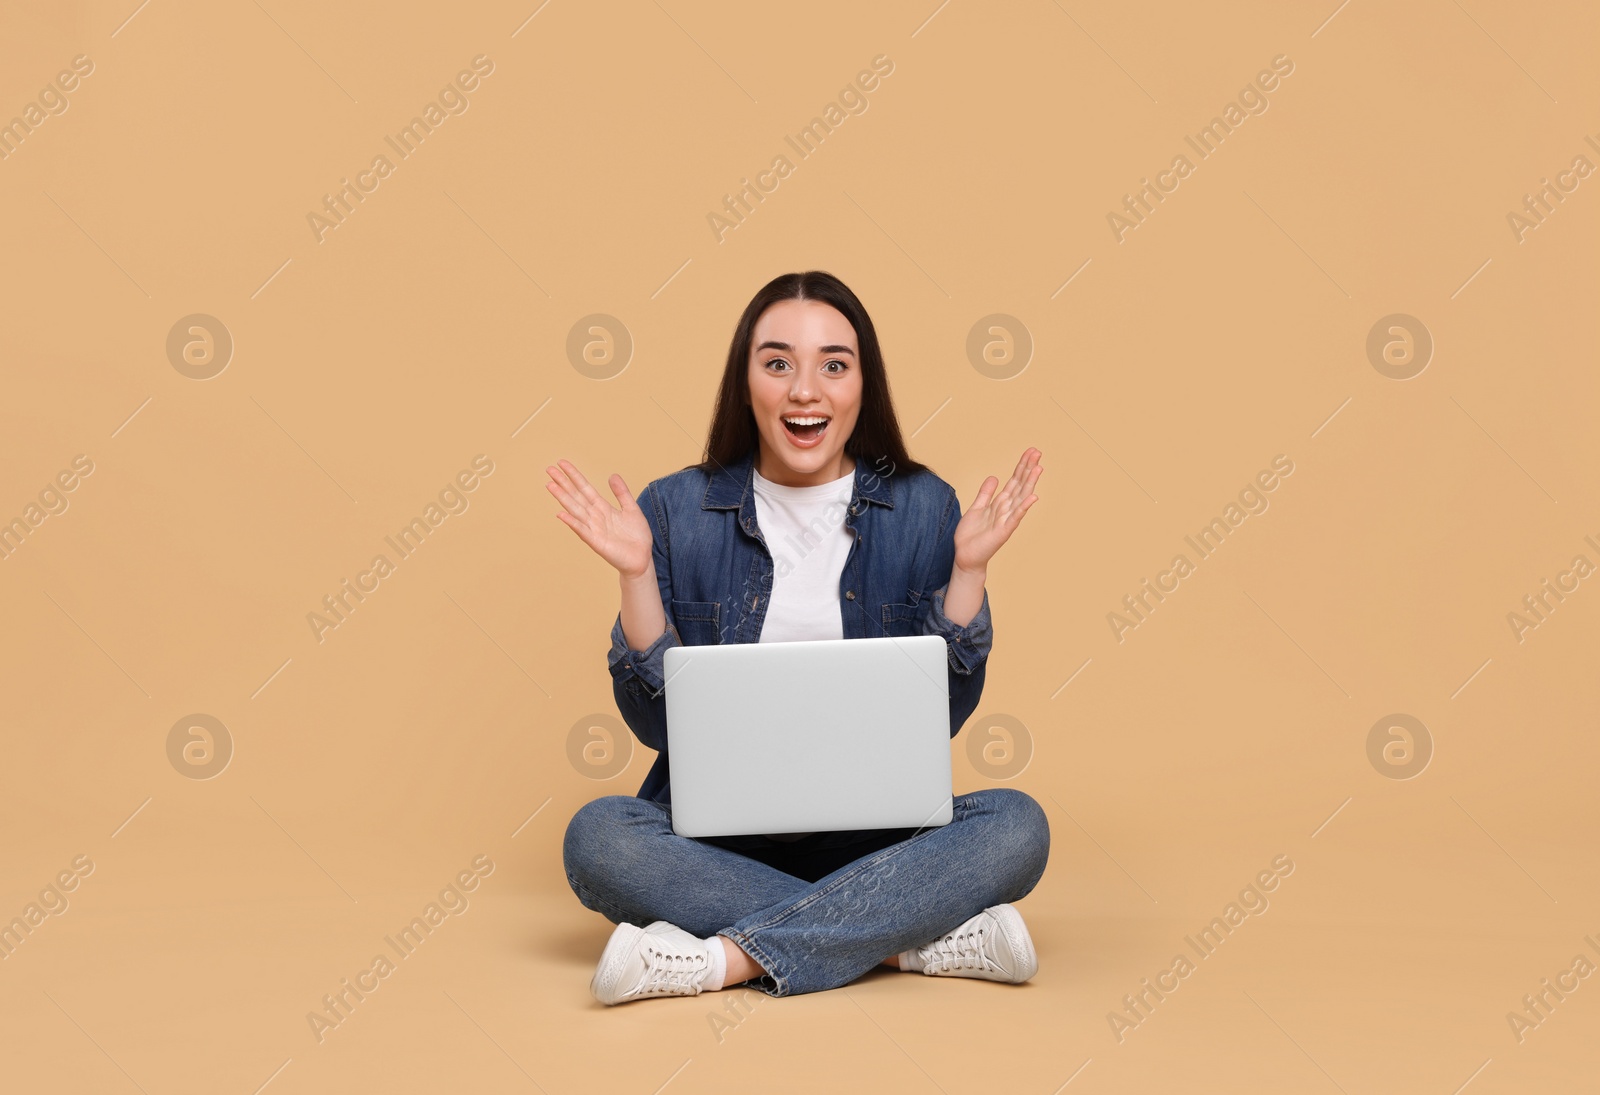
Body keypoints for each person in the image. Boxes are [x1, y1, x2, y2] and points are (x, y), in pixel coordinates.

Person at [550, 270, 1049, 1005]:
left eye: (834, 365)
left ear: (862, 385)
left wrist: (968, 568)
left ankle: (722, 960)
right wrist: (635, 573)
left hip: (884, 840)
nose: (805, 390)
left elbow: (938, 718)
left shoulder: (921, 507)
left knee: (1017, 826)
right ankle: (904, 940)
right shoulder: (676, 508)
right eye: (778, 362)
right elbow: (658, 727)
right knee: (597, 838)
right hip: (716, 843)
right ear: (745, 381)